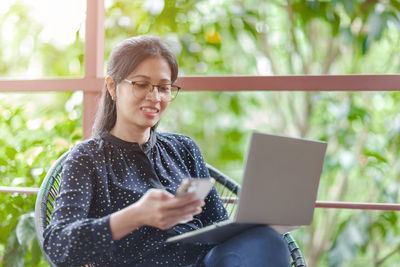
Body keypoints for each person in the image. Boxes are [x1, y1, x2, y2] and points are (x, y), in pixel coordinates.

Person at [43, 35, 290, 266]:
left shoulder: (183, 149)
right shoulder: (88, 158)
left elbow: (218, 226)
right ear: (112, 87)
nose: (155, 97)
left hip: (203, 261)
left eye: (164, 88)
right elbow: (58, 243)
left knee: (268, 241)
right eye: (142, 85)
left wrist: (260, 218)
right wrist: (137, 215)